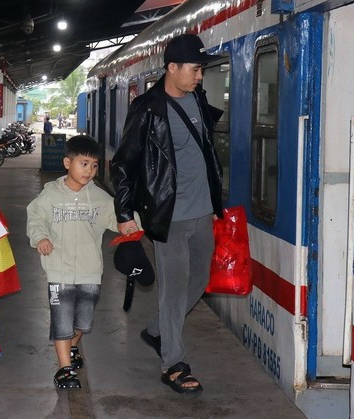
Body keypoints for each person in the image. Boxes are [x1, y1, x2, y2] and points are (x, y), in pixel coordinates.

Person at [110, 33, 224, 395]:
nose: (199, 76)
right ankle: (173, 362)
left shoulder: (198, 99)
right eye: (194, 69)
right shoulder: (147, 107)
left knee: (199, 280)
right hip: (169, 214)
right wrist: (125, 211)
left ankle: (157, 330)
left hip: (203, 211)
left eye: (201, 69)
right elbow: (123, 162)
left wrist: (215, 203)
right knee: (174, 289)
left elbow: (204, 151)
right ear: (172, 68)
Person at [27, 135, 118, 390]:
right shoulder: (50, 196)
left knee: (83, 323)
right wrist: (40, 237)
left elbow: (118, 220)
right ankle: (64, 369)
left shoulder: (100, 199)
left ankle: (73, 345)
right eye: (84, 163)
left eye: (94, 165)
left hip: (90, 272)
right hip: (59, 270)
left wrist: (135, 221)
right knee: (62, 321)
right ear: (68, 163)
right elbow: (35, 218)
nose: (89, 170)